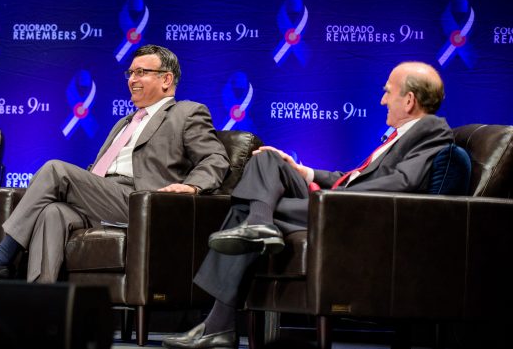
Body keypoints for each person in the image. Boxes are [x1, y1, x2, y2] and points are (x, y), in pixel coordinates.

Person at [162, 61, 453, 349]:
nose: (382, 99)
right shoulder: (404, 134)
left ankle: (220, 321)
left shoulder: (431, 131)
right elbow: (355, 177)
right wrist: (305, 173)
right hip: (343, 202)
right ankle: (259, 224)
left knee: (244, 209)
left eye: (388, 92)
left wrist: (335, 198)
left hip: (354, 212)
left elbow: (401, 183)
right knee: (267, 158)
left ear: (410, 100)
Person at [0, 44, 230, 283]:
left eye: (141, 72)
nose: (132, 79)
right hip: (104, 198)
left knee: (55, 169)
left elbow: (215, 158)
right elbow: (101, 170)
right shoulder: (125, 122)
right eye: (130, 73)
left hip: (142, 201)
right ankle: (38, 307)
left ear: (166, 79)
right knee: (53, 213)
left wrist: (192, 186)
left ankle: (2, 256)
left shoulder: (187, 112)